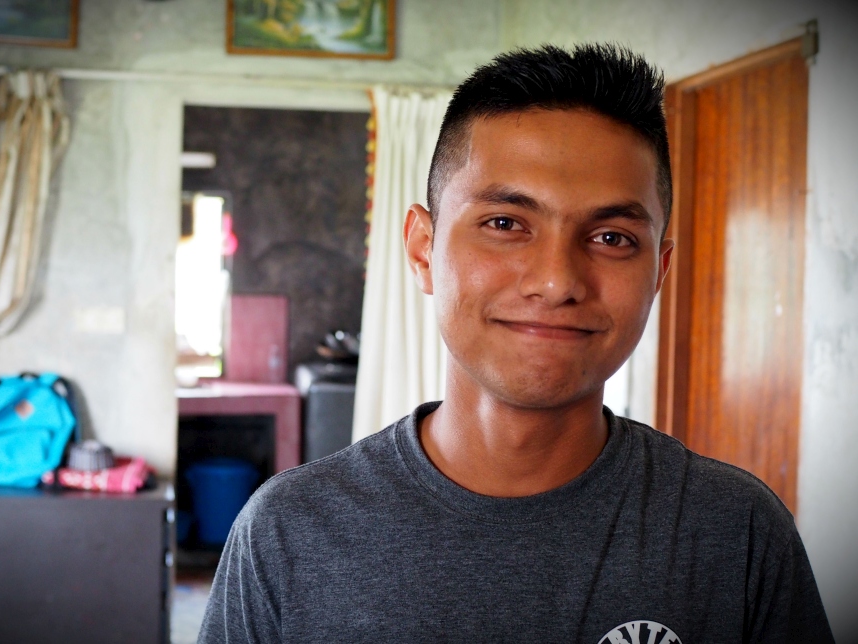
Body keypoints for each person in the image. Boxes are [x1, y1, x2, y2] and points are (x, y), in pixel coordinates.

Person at [198, 44, 834, 643]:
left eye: (612, 237)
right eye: (505, 224)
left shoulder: (736, 534)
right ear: (424, 249)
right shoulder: (289, 532)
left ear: (659, 271)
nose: (558, 281)